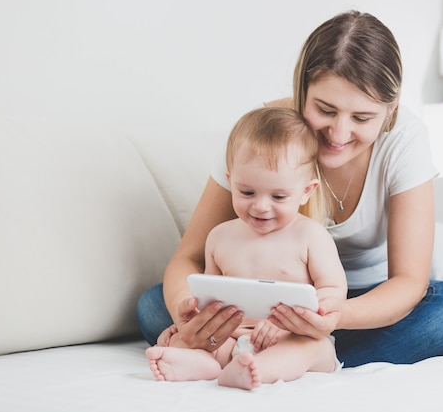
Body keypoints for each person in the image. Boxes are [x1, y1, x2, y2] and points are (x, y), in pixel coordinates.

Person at [137, 10, 443, 368]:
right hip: (263, 309)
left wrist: (333, 316)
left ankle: (292, 355)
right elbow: (189, 256)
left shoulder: (405, 141)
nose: (339, 135)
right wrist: (192, 317)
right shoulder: (261, 134)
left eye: (362, 118)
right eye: (325, 110)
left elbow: (408, 282)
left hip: (361, 306)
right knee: (155, 306)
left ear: (391, 108)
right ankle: (290, 357)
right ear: (302, 91)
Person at [145, 107, 347, 390]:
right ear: (230, 182)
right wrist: (192, 321)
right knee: (189, 339)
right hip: (232, 337)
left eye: (278, 196)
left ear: (306, 192)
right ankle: (201, 364)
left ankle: (259, 369)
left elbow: (333, 291)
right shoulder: (219, 237)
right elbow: (210, 296)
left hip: (290, 336)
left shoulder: (311, 236)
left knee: (314, 348)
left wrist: (296, 321)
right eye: (247, 192)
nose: (261, 206)